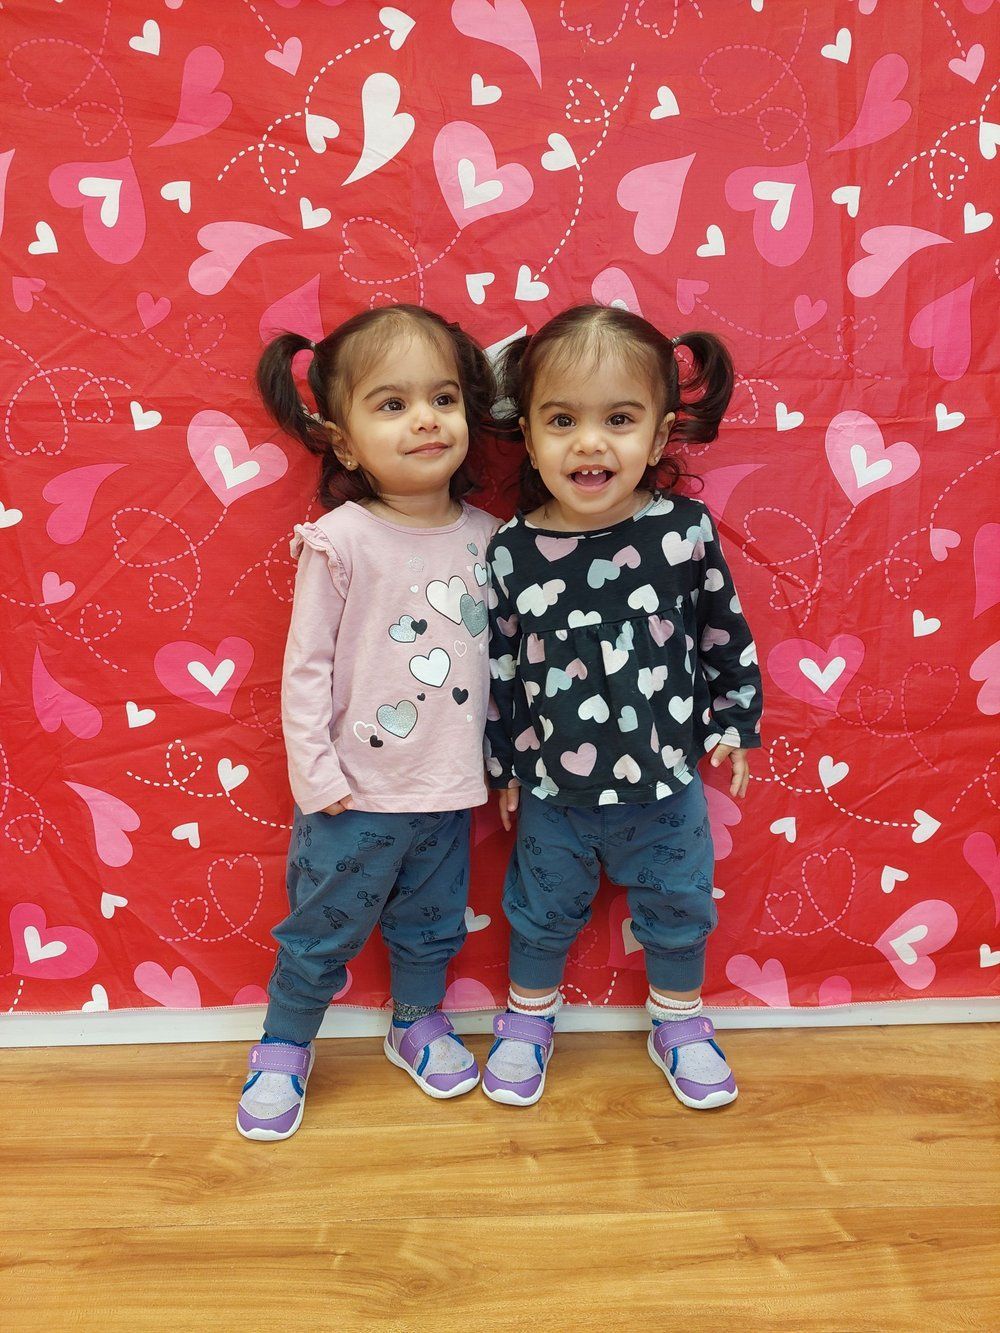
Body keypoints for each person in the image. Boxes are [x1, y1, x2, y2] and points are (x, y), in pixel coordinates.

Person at [482, 304, 763, 1110]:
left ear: (661, 432)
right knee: (537, 911)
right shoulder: (512, 549)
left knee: (679, 905)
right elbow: (502, 664)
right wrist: (504, 763)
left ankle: (679, 1017)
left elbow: (722, 629)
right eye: (562, 420)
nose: (590, 442)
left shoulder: (682, 532)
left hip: (667, 780)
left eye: (619, 419)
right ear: (529, 438)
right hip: (552, 792)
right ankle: (529, 1014)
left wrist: (737, 722)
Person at [237, 305, 498, 1140]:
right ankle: (284, 1042)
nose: (425, 419)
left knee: (431, 922)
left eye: (443, 398)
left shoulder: (494, 541)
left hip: (449, 788)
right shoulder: (341, 541)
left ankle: (414, 1020)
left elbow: (511, 671)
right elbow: (304, 667)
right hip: (352, 794)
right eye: (391, 404)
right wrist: (317, 773)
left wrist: (511, 767)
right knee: (321, 927)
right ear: (344, 442)